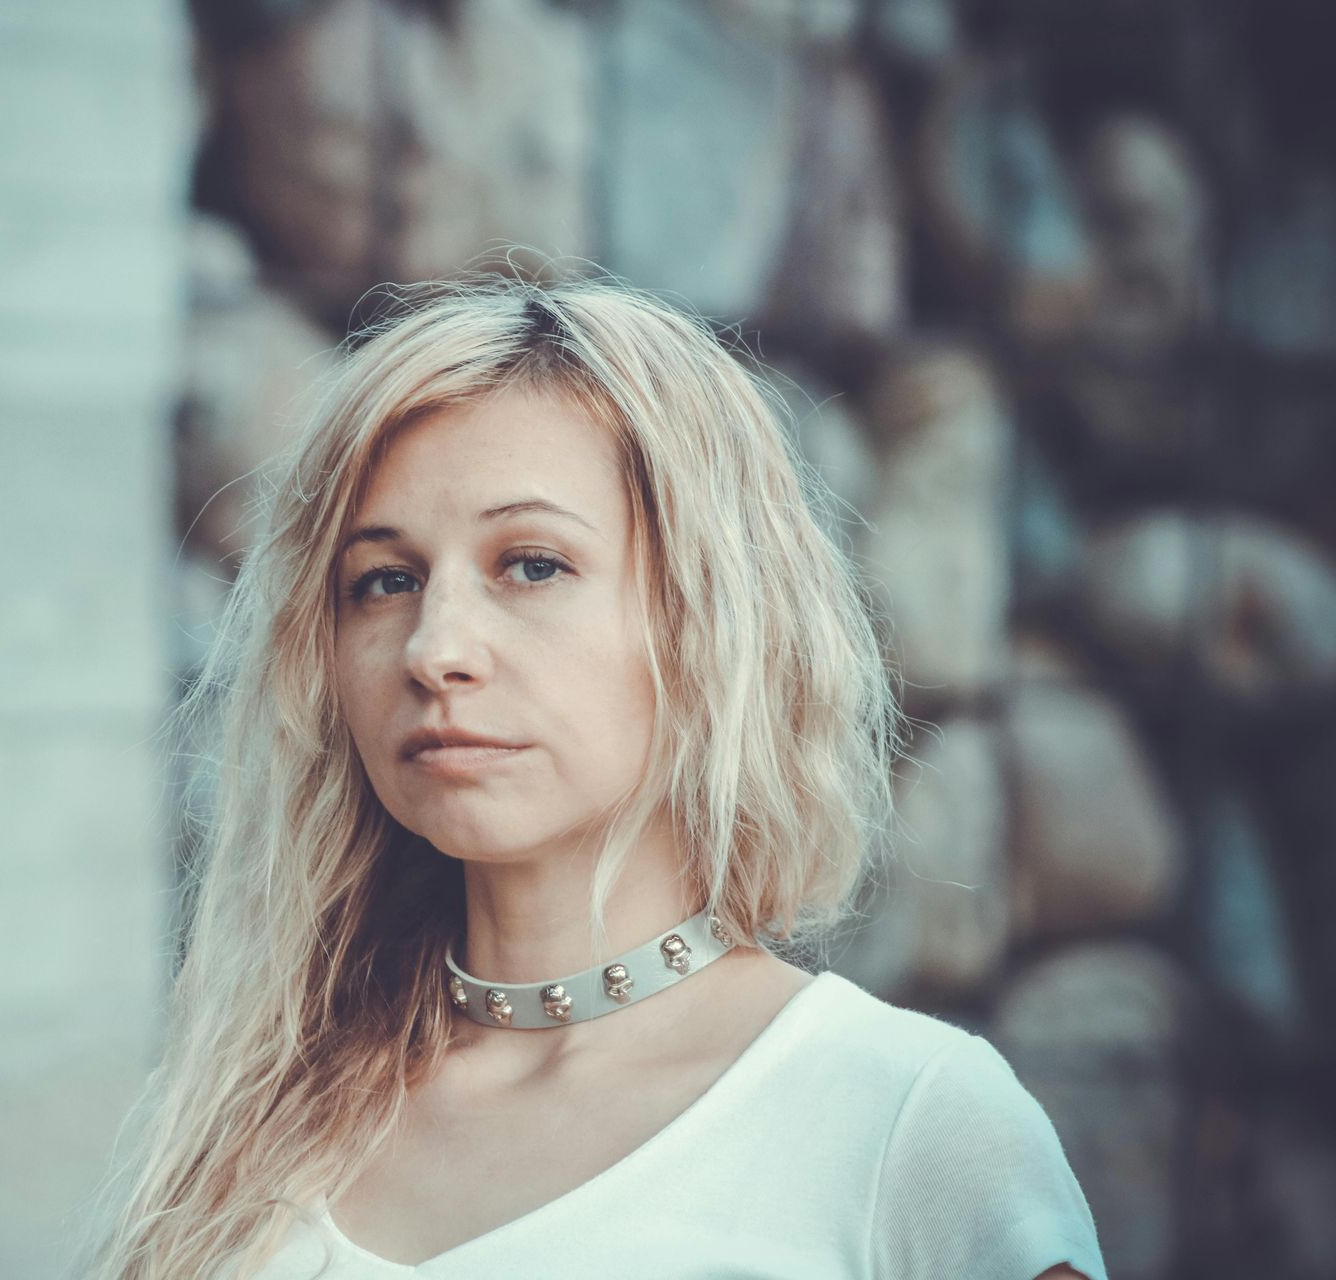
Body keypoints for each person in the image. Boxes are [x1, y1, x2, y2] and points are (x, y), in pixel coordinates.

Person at [76, 273, 1107, 1279]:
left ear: (707, 616)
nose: (434, 648)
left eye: (531, 563)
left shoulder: (907, 1122)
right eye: (384, 579)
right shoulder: (255, 1115)